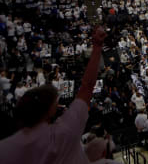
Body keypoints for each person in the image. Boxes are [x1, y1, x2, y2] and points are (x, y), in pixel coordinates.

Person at [0, 26, 107, 164]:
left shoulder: (5, 149)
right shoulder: (65, 131)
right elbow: (87, 86)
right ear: (50, 110)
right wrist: (97, 47)